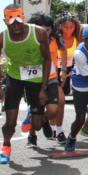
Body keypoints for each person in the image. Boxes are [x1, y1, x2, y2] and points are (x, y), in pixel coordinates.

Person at [0, 4, 57, 163]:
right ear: (5, 21)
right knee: (10, 122)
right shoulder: (0, 38)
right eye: (11, 22)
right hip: (15, 77)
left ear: (23, 18)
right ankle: (6, 146)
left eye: (18, 21)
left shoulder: (39, 33)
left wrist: (43, 88)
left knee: (37, 125)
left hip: (36, 79)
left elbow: (47, 59)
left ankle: (30, 115)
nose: (15, 25)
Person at [28, 12, 68, 144]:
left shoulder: (55, 38)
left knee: (53, 109)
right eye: (42, 30)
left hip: (51, 78)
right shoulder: (29, 40)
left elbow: (63, 49)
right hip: (34, 79)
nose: (45, 33)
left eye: (48, 30)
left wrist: (63, 70)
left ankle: (44, 120)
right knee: (35, 109)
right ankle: (32, 136)